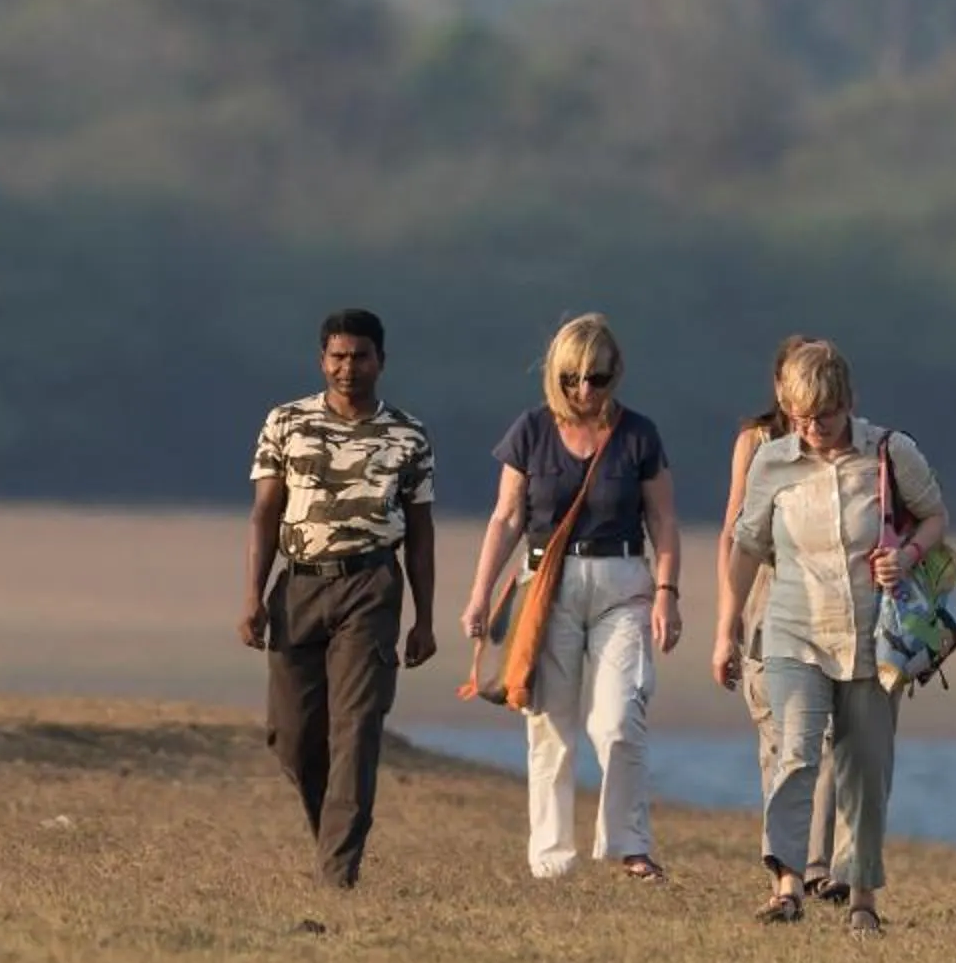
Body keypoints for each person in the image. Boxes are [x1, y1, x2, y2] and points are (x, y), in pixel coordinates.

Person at [711, 339, 947, 937]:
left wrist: (907, 551)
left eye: (824, 415)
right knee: (795, 751)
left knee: (864, 767)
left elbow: (935, 516)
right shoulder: (773, 463)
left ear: (848, 402)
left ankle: (863, 896)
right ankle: (787, 883)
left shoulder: (892, 453)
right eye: (799, 417)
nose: (812, 428)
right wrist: (726, 627)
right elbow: (745, 547)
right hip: (793, 631)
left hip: (871, 637)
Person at [460, 314, 683, 880]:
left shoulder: (638, 435)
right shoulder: (530, 432)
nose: (584, 391)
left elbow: (663, 520)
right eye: (572, 379)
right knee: (550, 725)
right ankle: (551, 859)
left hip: (623, 585)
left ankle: (630, 844)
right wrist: (481, 594)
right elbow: (506, 517)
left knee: (619, 718)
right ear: (553, 376)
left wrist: (667, 593)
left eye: (598, 379)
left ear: (616, 376)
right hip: (548, 589)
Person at [242, 309, 439, 888]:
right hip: (298, 584)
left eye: (360, 357)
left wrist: (424, 618)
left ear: (381, 360)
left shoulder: (407, 435)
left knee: (356, 728)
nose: (348, 368)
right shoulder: (287, 423)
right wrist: (252, 596)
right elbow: (265, 513)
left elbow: (421, 532)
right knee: (293, 736)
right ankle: (330, 834)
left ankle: (337, 873)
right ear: (322, 359)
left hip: (370, 586)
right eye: (337, 357)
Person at [722, 337, 846, 903]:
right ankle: (786, 865)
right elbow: (737, 530)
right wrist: (727, 622)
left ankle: (815, 865)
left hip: (828, 598)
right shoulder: (760, 443)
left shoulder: (849, 449)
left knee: (821, 737)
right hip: (768, 593)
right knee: (779, 736)